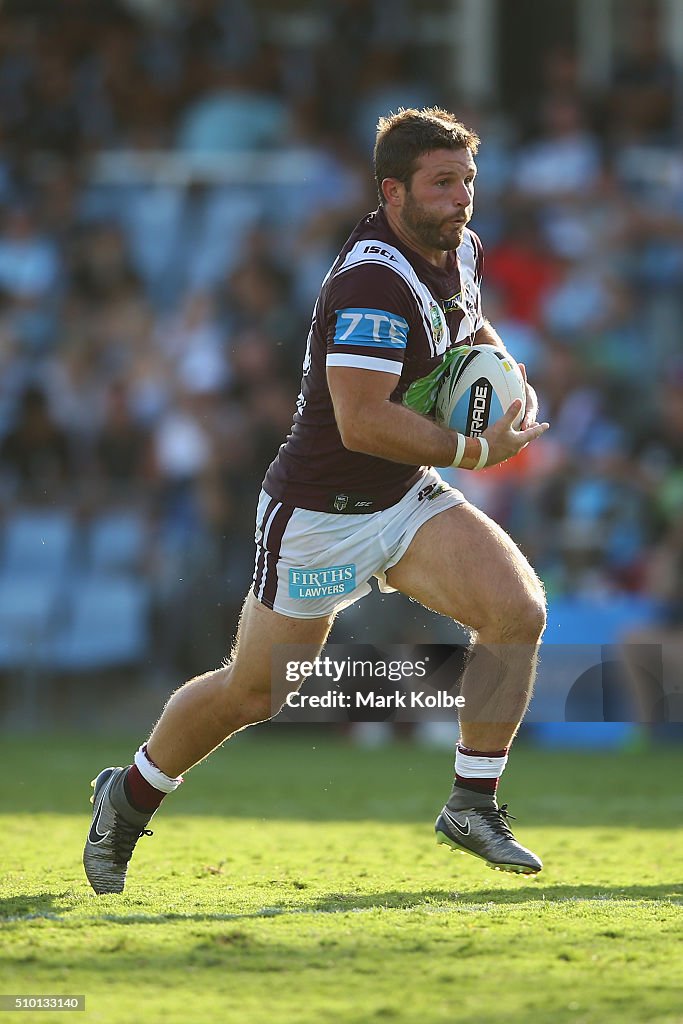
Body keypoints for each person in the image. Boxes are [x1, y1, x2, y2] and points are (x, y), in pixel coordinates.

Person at [83, 107, 549, 894]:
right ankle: (125, 799)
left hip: (404, 501)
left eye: (467, 180)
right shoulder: (371, 279)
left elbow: (471, 327)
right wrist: (475, 450)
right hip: (319, 515)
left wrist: (507, 377)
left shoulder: (459, 247)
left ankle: (472, 802)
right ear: (392, 191)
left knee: (517, 611)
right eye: (442, 183)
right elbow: (361, 421)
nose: (461, 198)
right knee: (256, 692)